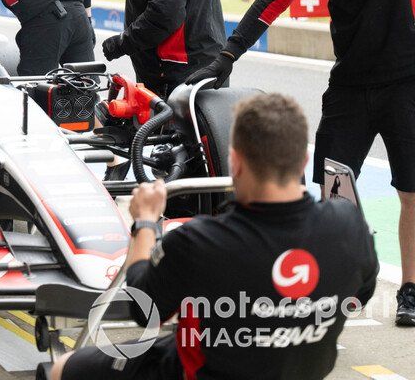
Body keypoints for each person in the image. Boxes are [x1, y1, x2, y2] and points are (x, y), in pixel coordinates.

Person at [187, 0, 415, 327]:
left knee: (412, 195)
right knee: (335, 189)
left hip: (406, 82)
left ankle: (411, 291)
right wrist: (228, 54)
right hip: (350, 85)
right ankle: (348, 280)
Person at [52, 94, 378, 380]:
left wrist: (146, 223)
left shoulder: (198, 242)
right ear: (303, 160)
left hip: (198, 370)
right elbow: (358, 298)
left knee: (62, 367)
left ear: (234, 162)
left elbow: (143, 309)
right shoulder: (350, 225)